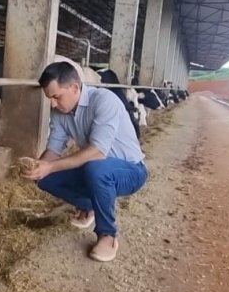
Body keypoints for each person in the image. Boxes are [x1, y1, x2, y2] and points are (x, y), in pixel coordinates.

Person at [21, 61, 148, 262]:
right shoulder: (59, 113)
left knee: (95, 168)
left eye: (56, 97)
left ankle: (108, 235)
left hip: (131, 171)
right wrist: (39, 168)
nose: (53, 104)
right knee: (45, 177)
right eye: (50, 99)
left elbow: (97, 152)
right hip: (96, 168)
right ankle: (90, 206)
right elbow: (54, 149)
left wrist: (50, 166)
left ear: (74, 88)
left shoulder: (103, 100)